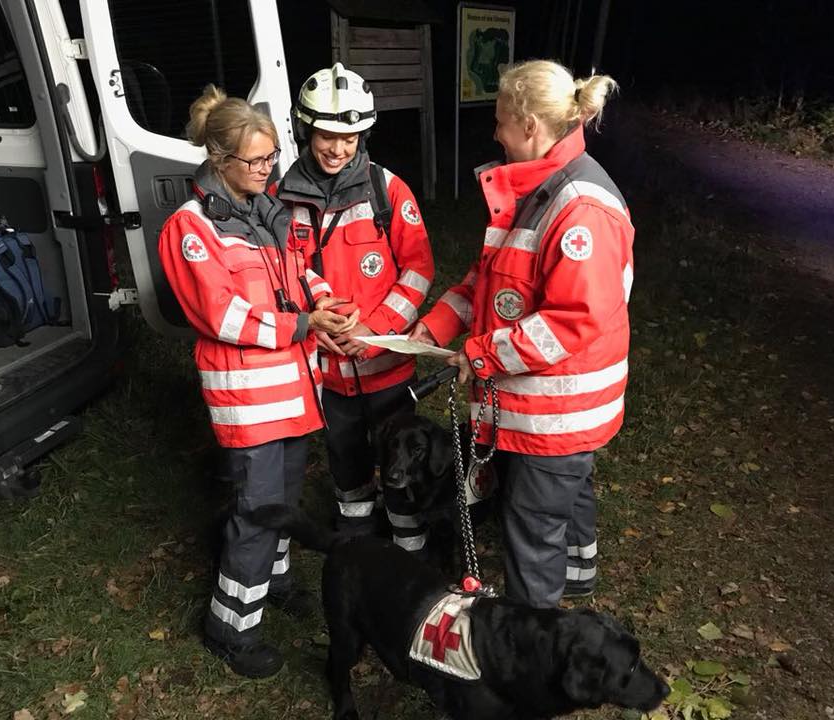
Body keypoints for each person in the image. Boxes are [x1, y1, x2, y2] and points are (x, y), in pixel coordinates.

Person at [409, 60, 633, 607]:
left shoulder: (579, 209)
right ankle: (578, 576)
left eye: (500, 120)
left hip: (555, 413)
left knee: (531, 525)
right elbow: (489, 280)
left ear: (530, 125)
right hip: (549, 409)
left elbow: (571, 320)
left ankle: (531, 648)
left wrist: (481, 354)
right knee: (565, 494)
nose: (494, 132)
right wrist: (434, 328)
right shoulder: (537, 187)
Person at [158, 85, 357, 678]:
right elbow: (222, 315)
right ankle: (230, 628)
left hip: (293, 392)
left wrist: (328, 302)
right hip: (249, 400)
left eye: (272, 157)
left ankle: (274, 581)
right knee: (259, 509)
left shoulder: (266, 209)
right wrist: (303, 325)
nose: (269, 169)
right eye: (257, 160)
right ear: (219, 159)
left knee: (284, 498)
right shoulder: (191, 229)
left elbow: (301, 273)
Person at [274, 64, 436, 552]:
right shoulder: (282, 199)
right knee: (345, 464)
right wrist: (316, 320)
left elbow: (419, 269)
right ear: (307, 129)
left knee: (402, 462)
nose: (337, 148)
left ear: (363, 134)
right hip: (328, 372)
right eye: (326, 134)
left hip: (388, 369)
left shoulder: (388, 190)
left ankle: (410, 553)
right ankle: (356, 550)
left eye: (349, 137)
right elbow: (287, 271)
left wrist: (377, 329)